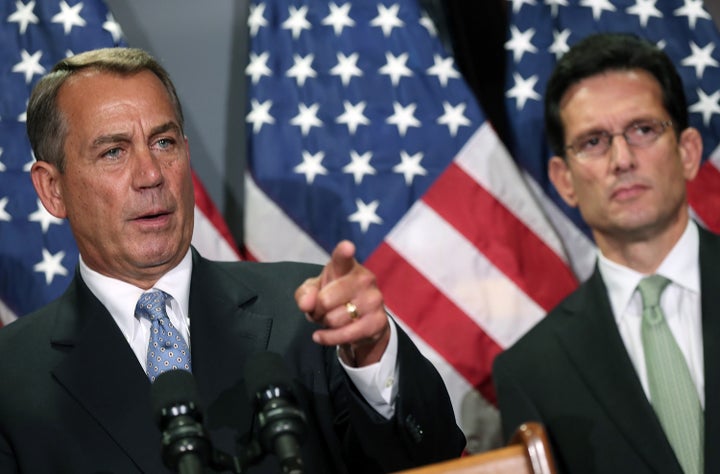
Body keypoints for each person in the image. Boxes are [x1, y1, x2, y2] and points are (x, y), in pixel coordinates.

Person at [0, 47, 465, 473]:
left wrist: (374, 357)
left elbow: (435, 458)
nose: (150, 174)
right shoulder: (10, 378)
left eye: (164, 142)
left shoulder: (310, 317)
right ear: (52, 189)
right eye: (114, 152)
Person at [493, 33, 716, 474]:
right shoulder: (530, 371)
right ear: (564, 181)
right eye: (593, 141)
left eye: (643, 129)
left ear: (688, 152)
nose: (622, 158)